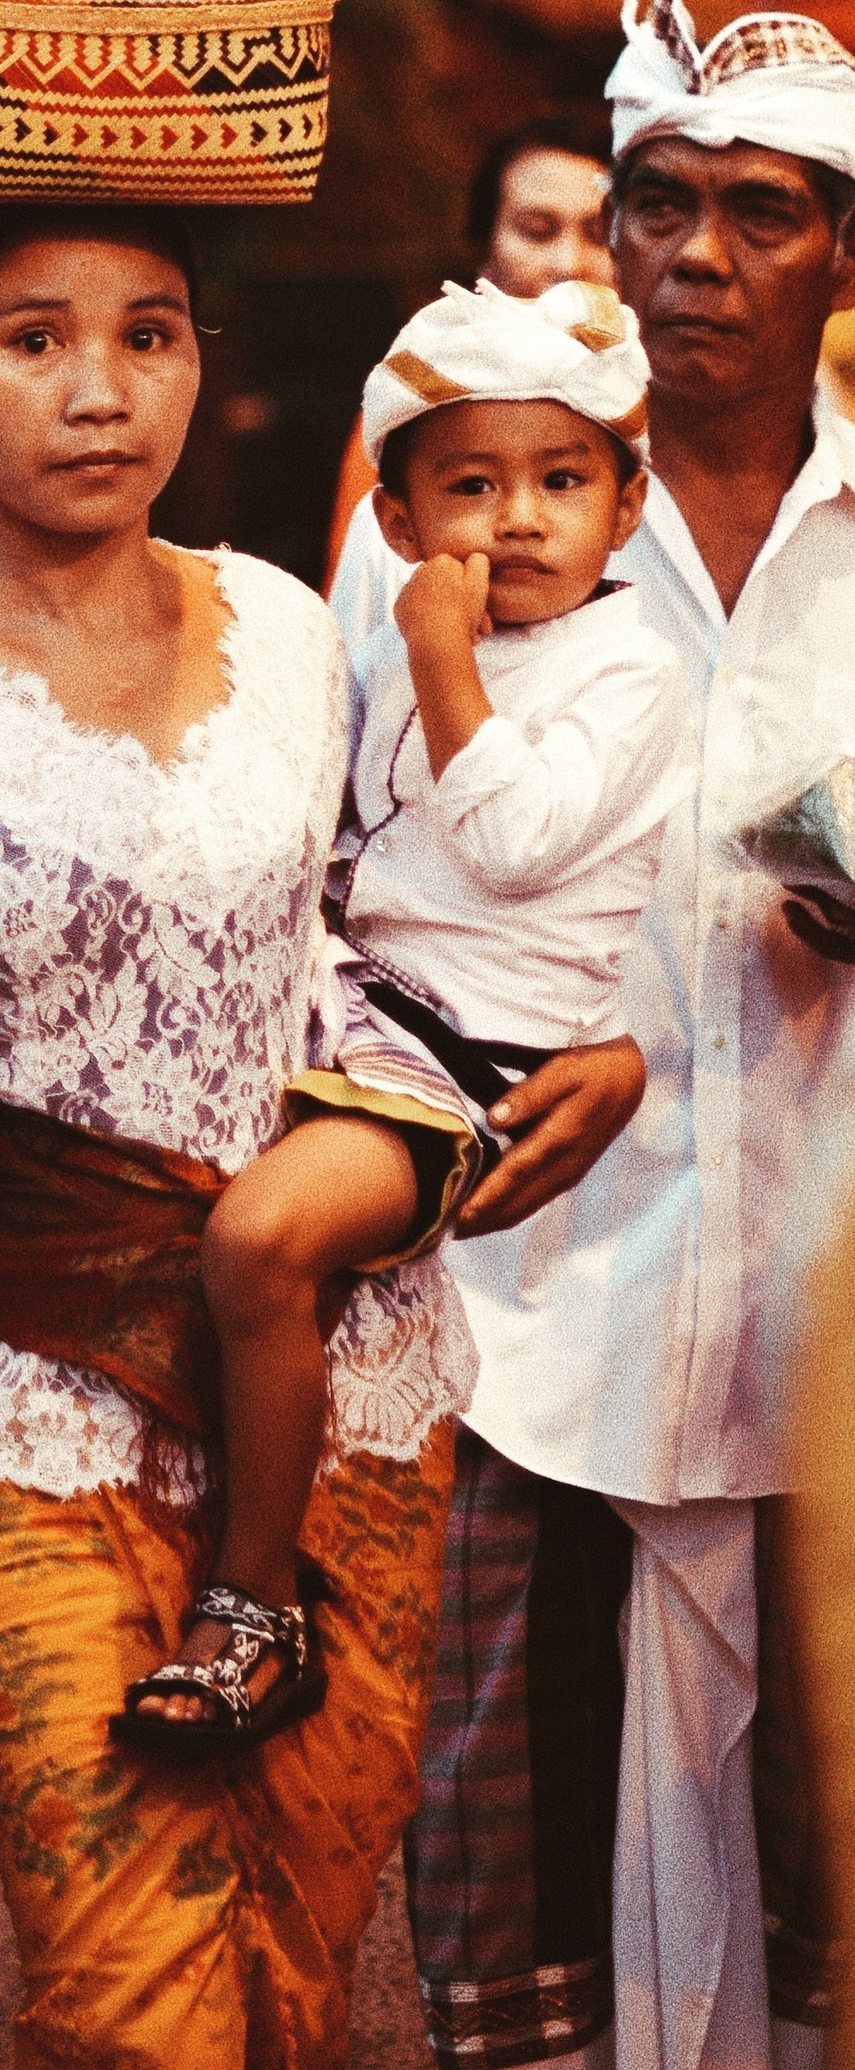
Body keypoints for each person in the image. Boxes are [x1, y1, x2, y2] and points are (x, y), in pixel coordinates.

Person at [0, 202, 647, 2067]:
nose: (98, 393)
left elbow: (469, 883)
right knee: (132, 2005)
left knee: (294, 1987)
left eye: (150, 335)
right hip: (26, 1407)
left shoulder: (294, 633)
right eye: (30, 340)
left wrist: (621, 1055)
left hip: (350, 1386)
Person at [369, 0, 855, 2070]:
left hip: (823, 1308)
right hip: (533, 1303)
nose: (694, 256)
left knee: (822, 1911)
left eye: (763, 211)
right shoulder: (490, 518)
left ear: (845, 249)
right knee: (522, 1923)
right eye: (658, 203)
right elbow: (343, 876)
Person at [128, 277, 692, 1750]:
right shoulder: (384, 647)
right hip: (338, 1009)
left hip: (467, 1062)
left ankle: (254, 1610)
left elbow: (507, 844)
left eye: (559, 481)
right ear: (393, 523)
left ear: (624, 507)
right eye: (469, 486)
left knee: (257, 1243)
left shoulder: (629, 674)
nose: (513, 519)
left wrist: (437, 656)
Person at [325, 111, 615, 617]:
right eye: (536, 231)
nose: (569, 263)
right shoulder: (415, 404)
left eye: (598, 233)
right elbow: (357, 619)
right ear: (483, 250)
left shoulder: (667, 406)